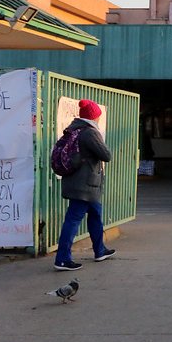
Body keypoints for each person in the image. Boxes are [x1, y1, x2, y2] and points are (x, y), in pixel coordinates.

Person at [53, 99, 116, 271]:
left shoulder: (74, 129)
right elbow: (107, 155)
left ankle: (100, 250)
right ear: (94, 117)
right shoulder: (89, 133)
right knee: (73, 220)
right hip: (84, 186)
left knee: (95, 214)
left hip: (83, 183)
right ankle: (62, 259)